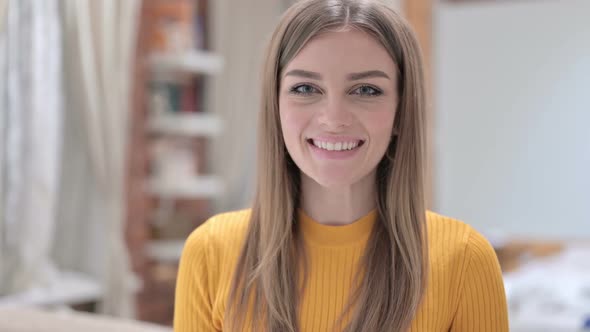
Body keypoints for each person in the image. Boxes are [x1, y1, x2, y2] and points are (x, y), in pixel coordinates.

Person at [174, 0, 509, 331]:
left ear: (401, 111)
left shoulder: (464, 261)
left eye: (366, 89)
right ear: (274, 106)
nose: (334, 119)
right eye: (305, 88)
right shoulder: (210, 253)